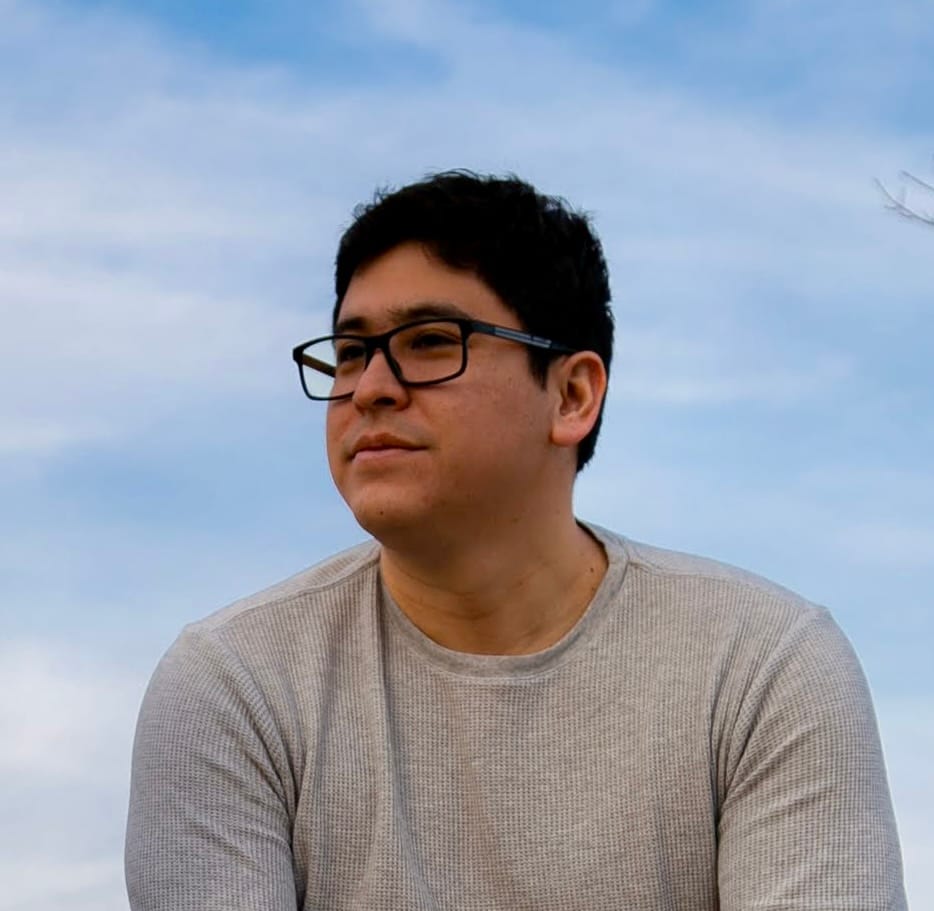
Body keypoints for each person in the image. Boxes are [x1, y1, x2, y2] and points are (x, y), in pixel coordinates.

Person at [125, 171, 906, 910]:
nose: (370, 388)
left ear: (572, 395)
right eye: (352, 352)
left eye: (431, 340)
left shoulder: (762, 665)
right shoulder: (235, 687)